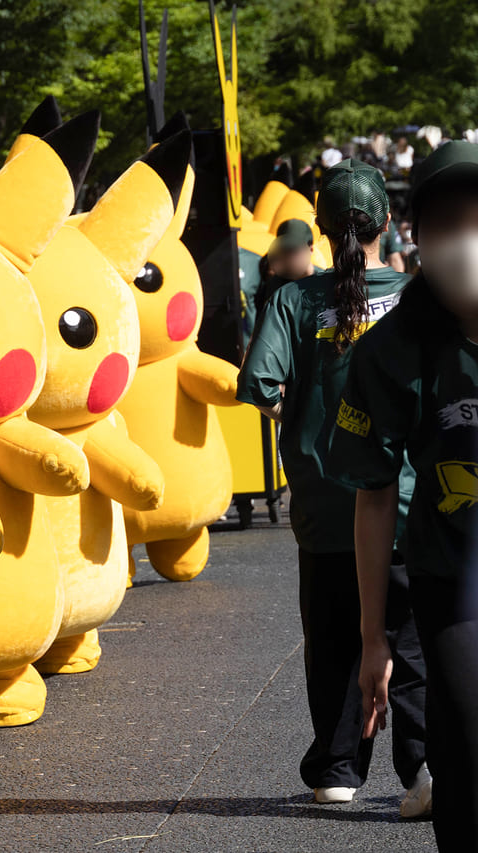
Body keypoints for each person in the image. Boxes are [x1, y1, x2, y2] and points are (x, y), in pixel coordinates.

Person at [237, 159, 430, 814]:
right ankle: (424, 764)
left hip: (322, 503)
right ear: (386, 224)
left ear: (319, 228)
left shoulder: (294, 300)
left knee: (334, 636)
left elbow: (260, 383)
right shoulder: (414, 297)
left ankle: (339, 766)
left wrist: (301, 423)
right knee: (409, 636)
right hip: (406, 498)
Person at [330, 141, 478, 850]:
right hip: (452, 586)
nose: (466, 239)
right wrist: (372, 638)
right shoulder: (392, 351)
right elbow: (373, 496)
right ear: (414, 235)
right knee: (466, 752)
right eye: (448, 221)